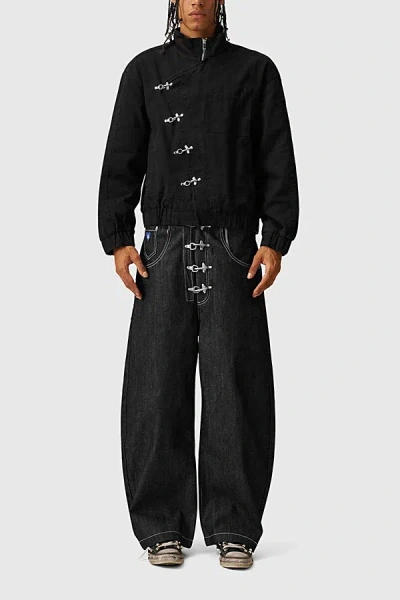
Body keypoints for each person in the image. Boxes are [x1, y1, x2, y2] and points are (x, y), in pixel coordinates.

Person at [98, 0, 299, 570]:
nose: (195, 2)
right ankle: (160, 527)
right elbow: (122, 156)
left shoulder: (256, 71)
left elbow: (276, 156)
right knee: (154, 387)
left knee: (237, 386)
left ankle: (235, 527)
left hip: (234, 245)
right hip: (160, 247)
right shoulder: (143, 70)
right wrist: (118, 239)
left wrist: (274, 238)